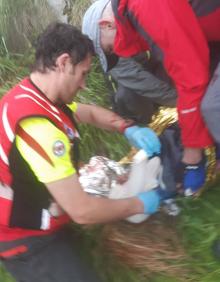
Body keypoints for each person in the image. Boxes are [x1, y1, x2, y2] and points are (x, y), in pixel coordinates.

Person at [0, 22, 163, 282]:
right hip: (25, 239)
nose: (85, 84)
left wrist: (126, 127)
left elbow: (86, 112)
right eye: (84, 74)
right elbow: (83, 212)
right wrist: (139, 204)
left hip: (44, 209)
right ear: (64, 63)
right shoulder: (39, 129)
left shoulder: (34, 95)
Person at [82, 0, 220, 195]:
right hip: (211, 36)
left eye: (110, 48)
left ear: (106, 24)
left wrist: (192, 155)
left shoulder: (146, 6)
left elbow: (191, 78)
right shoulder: (135, 12)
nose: (119, 51)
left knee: (213, 106)